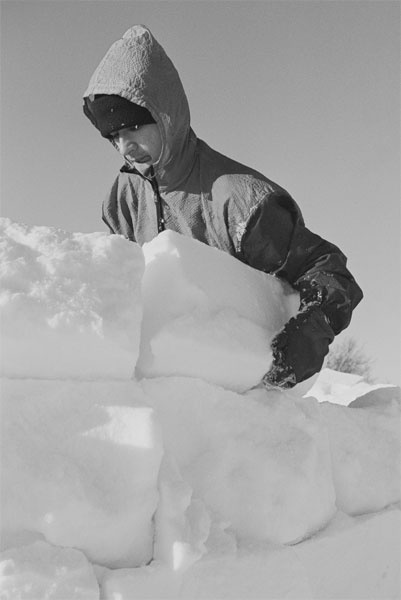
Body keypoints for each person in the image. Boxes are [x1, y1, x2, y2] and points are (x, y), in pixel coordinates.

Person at [83, 25, 363, 389]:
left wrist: (309, 331)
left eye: (132, 127)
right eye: (114, 136)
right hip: (158, 394)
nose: (124, 147)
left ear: (165, 117)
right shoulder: (123, 198)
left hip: (243, 394)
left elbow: (327, 269)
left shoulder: (239, 200)